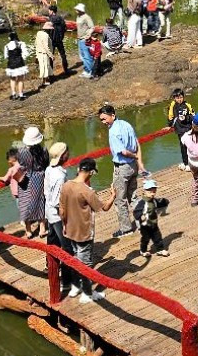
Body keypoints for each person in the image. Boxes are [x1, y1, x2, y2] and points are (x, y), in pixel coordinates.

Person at [59, 158, 114, 303]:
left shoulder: (66, 186)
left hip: (70, 230)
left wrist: (65, 225)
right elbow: (104, 207)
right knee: (86, 263)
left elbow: (62, 211)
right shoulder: (86, 191)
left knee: (76, 259)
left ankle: (75, 287)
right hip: (84, 232)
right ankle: (87, 293)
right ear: (90, 172)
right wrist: (113, 196)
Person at [98, 104, 143, 237]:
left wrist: (134, 156)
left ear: (113, 115)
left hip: (122, 168)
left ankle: (126, 228)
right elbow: (135, 141)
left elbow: (123, 151)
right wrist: (138, 159)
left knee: (119, 199)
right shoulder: (126, 124)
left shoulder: (113, 132)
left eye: (104, 119)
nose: (103, 122)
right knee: (133, 196)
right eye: (101, 119)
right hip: (133, 166)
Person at [41, 142, 74, 296]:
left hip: (49, 212)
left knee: (52, 239)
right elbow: (56, 201)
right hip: (57, 215)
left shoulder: (50, 169)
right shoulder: (60, 176)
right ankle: (67, 282)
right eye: (67, 152)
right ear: (62, 156)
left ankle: (50, 265)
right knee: (67, 248)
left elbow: (47, 192)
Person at [16, 126, 51, 239]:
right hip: (39, 178)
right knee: (40, 202)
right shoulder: (44, 150)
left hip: (25, 179)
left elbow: (20, 165)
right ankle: (42, 229)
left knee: (26, 203)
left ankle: (28, 230)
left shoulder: (21, 152)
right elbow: (46, 164)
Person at [134, 179, 170, 257]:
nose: (152, 194)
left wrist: (165, 201)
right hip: (145, 225)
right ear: (144, 192)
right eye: (150, 192)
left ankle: (160, 250)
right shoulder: (142, 203)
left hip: (153, 223)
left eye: (154, 191)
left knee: (158, 237)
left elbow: (159, 202)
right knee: (145, 239)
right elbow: (136, 212)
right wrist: (140, 216)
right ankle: (143, 250)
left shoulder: (154, 201)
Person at [167, 89, 196, 171]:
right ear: (174, 98)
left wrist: (186, 118)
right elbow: (170, 116)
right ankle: (185, 163)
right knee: (182, 147)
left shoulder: (187, 105)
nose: (179, 99)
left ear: (183, 97)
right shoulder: (173, 105)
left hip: (188, 129)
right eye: (177, 98)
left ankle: (190, 163)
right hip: (179, 130)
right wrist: (169, 125)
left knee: (189, 146)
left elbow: (194, 116)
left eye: (181, 97)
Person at [4, 31, 30, 100]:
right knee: (20, 79)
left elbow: (6, 56)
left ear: (9, 38)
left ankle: (13, 94)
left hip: (11, 64)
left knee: (12, 79)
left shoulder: (6, 46)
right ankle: (21, 95)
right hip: (20, 63)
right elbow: (26, 54)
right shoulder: (21, 44)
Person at [75, 3, 96, 78]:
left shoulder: (87, 17)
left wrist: (88, 34)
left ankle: (90, 72)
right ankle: (86, 70)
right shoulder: (78, 17)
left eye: (77, 9)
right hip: (79, 39)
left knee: (87, 55)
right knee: (82, 56)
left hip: (85, 39)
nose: (76, 10)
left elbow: (92, 27)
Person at [47, 5, 70, 73]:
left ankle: (50, 73)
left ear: (51, 11)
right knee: (63, 55)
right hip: (59, 40)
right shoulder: (60, 18)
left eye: (49, 10)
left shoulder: (50, 19)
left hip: (52, 40)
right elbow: (65, 28)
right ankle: (66, 70)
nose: (48, 12)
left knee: (51, 56)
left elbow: (47, 30)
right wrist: (61, 36)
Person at [35, 22, 55, 86]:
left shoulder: (38, 33)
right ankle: (45, 81)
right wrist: (51, 55)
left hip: (39, 52)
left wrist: (36, 55)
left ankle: (44, 81)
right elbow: (46, 46)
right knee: (45, 67)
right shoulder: (46, 35)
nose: (51, 30)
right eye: (50, 29)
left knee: (42, 67)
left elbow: (36, 43)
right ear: (48, 29)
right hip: (44, 53)